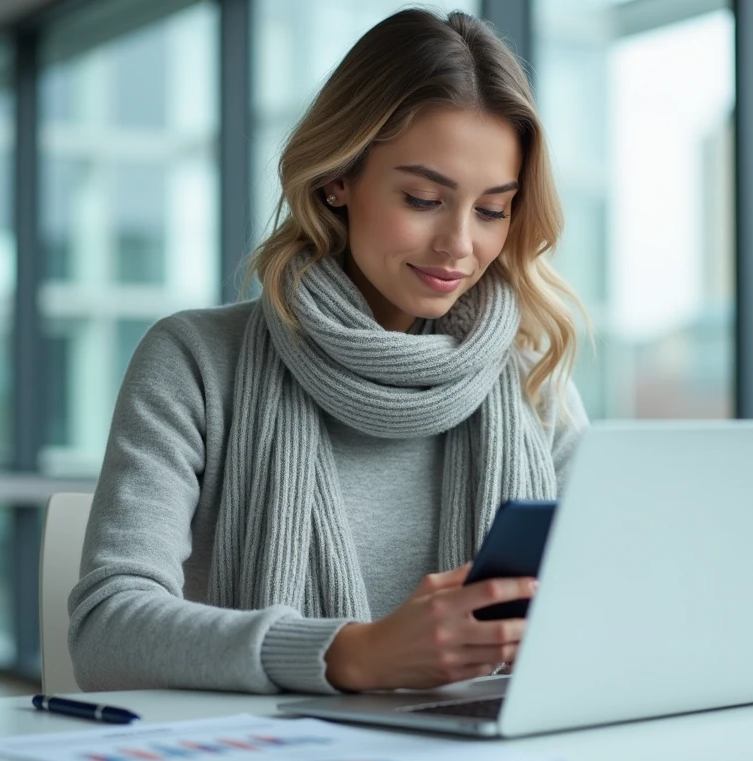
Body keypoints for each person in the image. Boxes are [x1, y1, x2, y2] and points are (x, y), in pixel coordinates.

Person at [67, 7, 589, 696]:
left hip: (486, 755)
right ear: (337, 180)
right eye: (424, 198)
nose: (460, 243)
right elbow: (107, 631)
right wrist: (350, 654)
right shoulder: (195, 361)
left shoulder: (532, 377)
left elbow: (609, 594)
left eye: (492, 209)